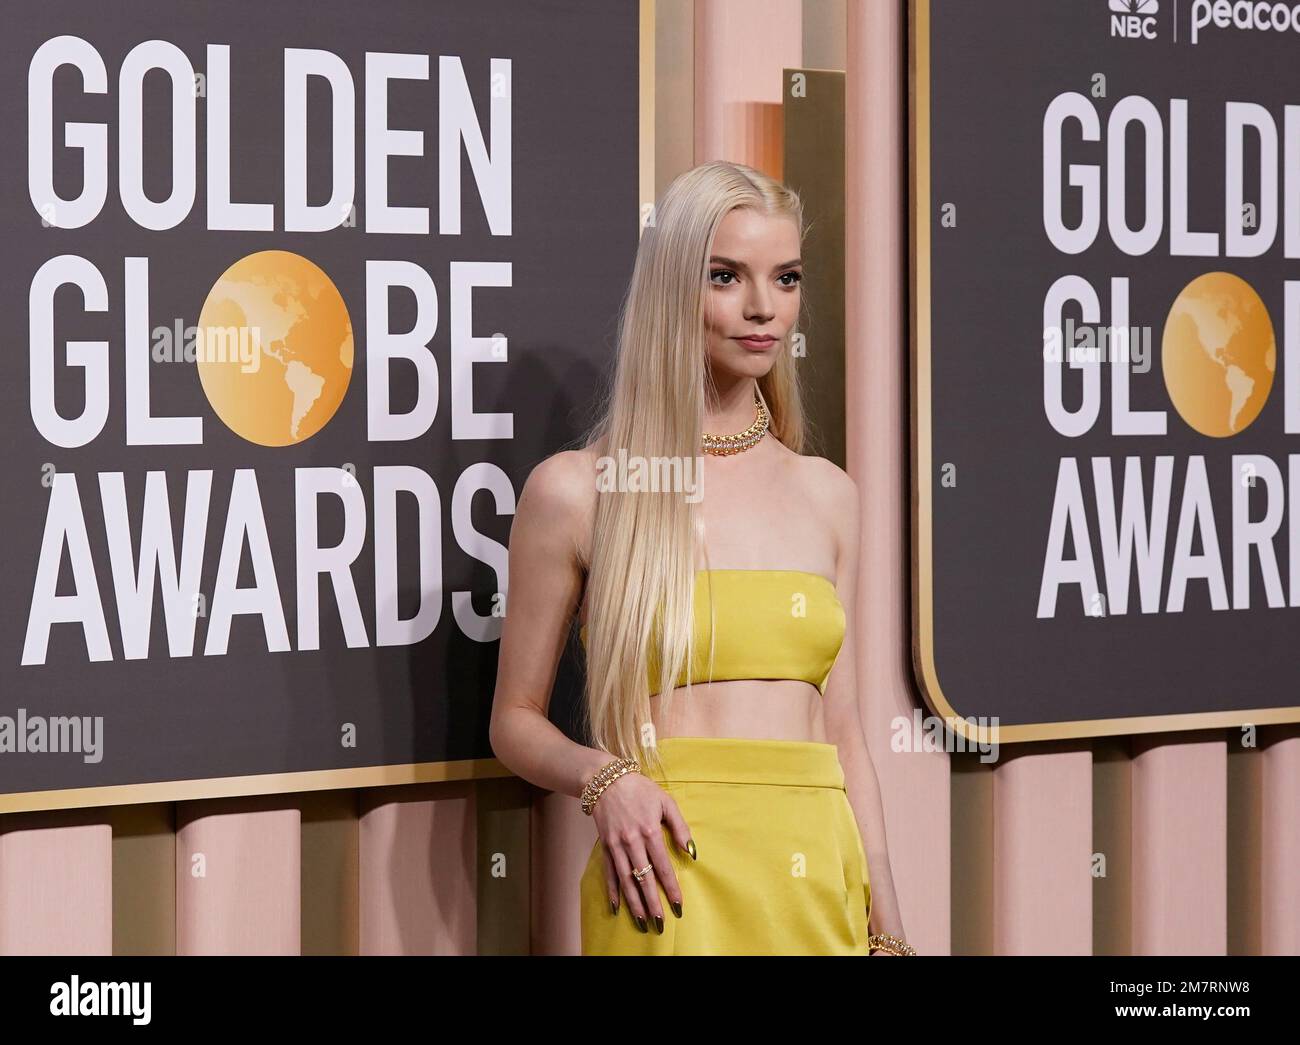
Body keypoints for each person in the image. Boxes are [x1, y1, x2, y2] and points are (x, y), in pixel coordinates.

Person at [489, 160, 913, 956]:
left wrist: (889, 927)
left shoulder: (829, 494)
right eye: (727, 276)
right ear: (673, 288)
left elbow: (845, 730)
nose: (764, 308)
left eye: (785, 278)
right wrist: (604, 779)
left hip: (815, 877)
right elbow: (513, 719)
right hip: (664, 877)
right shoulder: (580, 492)